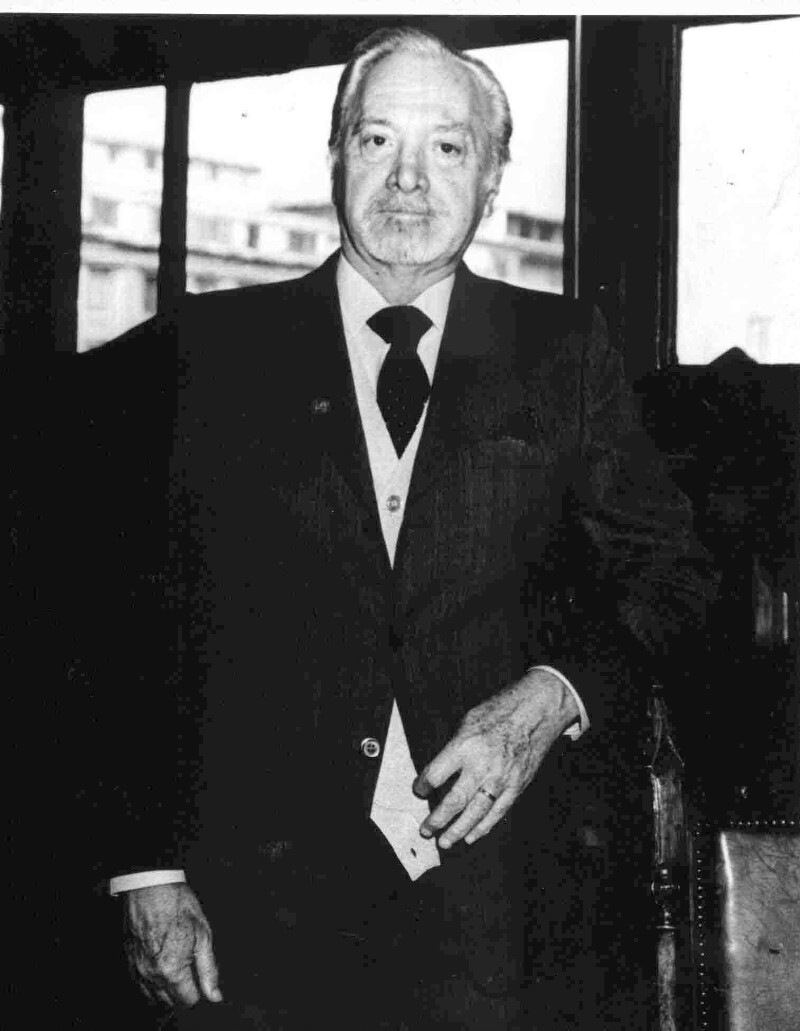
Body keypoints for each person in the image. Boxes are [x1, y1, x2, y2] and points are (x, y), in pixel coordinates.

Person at [88, 26, 714, 1031]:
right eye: (377, 140)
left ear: (493, 177)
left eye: (447, 148)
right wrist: (145, 868)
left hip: (508, 916)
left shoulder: (564, 351)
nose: (408, 179)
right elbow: (118, 616)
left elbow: (672, 574)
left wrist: (551, 694)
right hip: (254, 919)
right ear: (335, 156)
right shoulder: (206, 350)